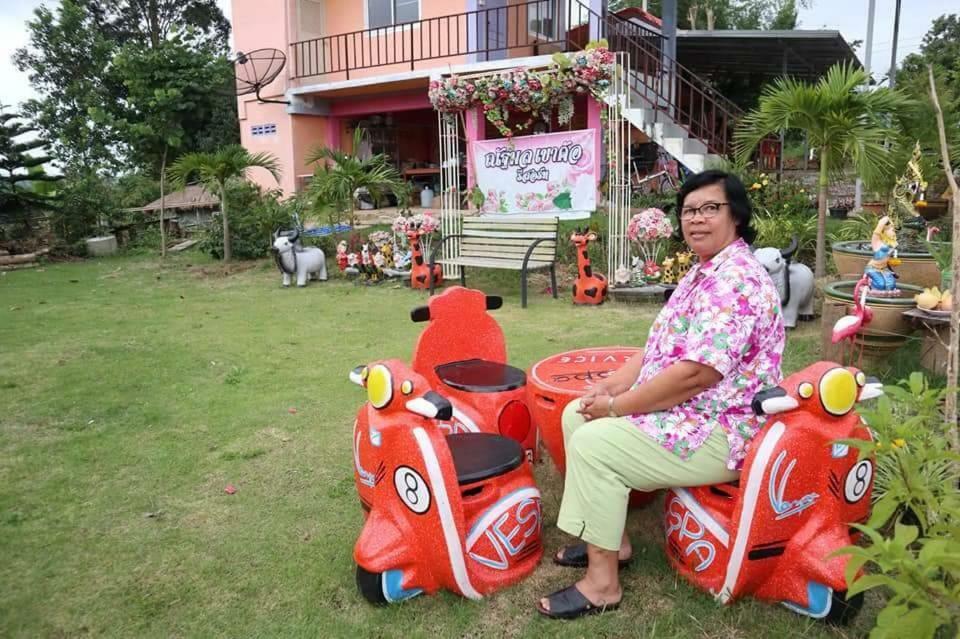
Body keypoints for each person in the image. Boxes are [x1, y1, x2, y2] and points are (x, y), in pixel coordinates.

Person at [537, 170, 786, 619]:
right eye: (690, 210)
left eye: (711, 208)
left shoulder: (737, 281)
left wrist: (616, 407)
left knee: (594, 441)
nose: (697, 219)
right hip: (686, 414)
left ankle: (602, 584)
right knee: (577, 414)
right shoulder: (704, 270)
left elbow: (693, 376)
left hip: (719, 428)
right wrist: (615, 384)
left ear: (737, 216)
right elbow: (661, 345)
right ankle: (614, 542)